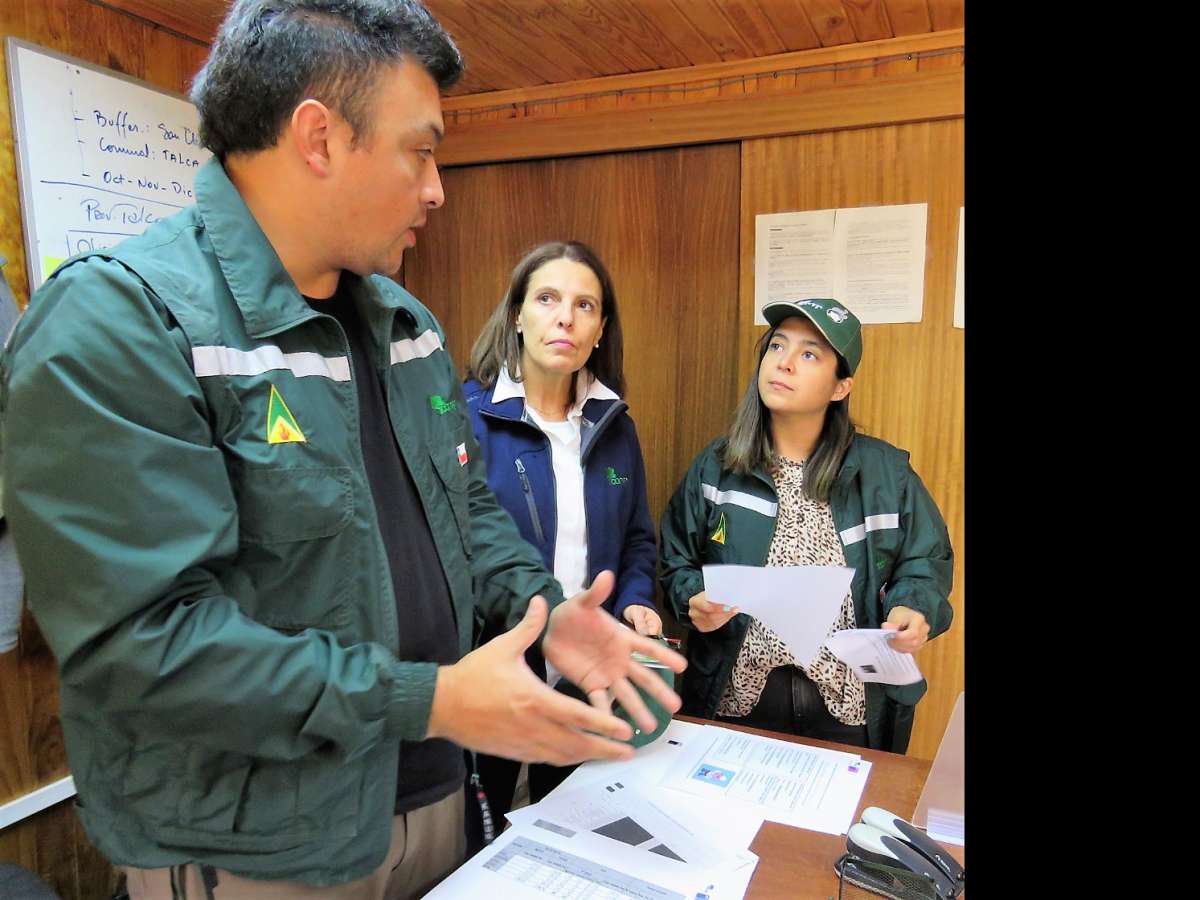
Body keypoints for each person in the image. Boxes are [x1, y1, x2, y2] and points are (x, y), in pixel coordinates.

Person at [0, 2, 684, 898]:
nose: (436, 188)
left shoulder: (407, 326)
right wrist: (429, 699)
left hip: (433, 799)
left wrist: (544, 607)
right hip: (256, 847)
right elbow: (148, 643)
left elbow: (462, 507)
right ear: (319, 138)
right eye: (421, 149)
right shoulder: (119, 323)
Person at [658, 298, 951, 754]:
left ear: (840, 387)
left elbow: (925, 561)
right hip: (736, 703)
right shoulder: (717, 466)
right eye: (777, 346)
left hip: (849, 708)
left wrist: (911, 608)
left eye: (809, 354)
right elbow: (675, 559)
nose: (785, 363)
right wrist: (692, 598)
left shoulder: (884, 473)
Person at [461, 241, 662, 827]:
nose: (565, 318)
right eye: (547, 298)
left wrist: (636, 602)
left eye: (585, 305)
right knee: (483, 836)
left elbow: (637, 541)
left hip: (587, 672)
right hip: (494, 668)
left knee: (574, 832)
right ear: (517, 315)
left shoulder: (615, 427)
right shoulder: (467, 418)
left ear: (600, 330)